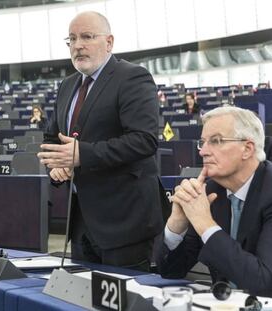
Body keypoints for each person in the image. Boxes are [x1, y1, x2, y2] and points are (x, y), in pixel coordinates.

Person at [37, 11, 163, 270]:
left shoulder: (132, 77)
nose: (78, 45)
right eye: (71, 39)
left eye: (87, 36)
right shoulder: (67, 85)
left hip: (124, 222)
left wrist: (81, 155)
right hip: (81, 222)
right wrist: (57, 165)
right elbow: (52, 137)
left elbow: (144, 140)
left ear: (109, 42)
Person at [155, 106, 272, 297]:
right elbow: (171, 271)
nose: (203, 152)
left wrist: (205, 224)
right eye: (203, 142)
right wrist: (176, 225)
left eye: (216, 141)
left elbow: (264, 284)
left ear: (247, 149)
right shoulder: (210, 190)